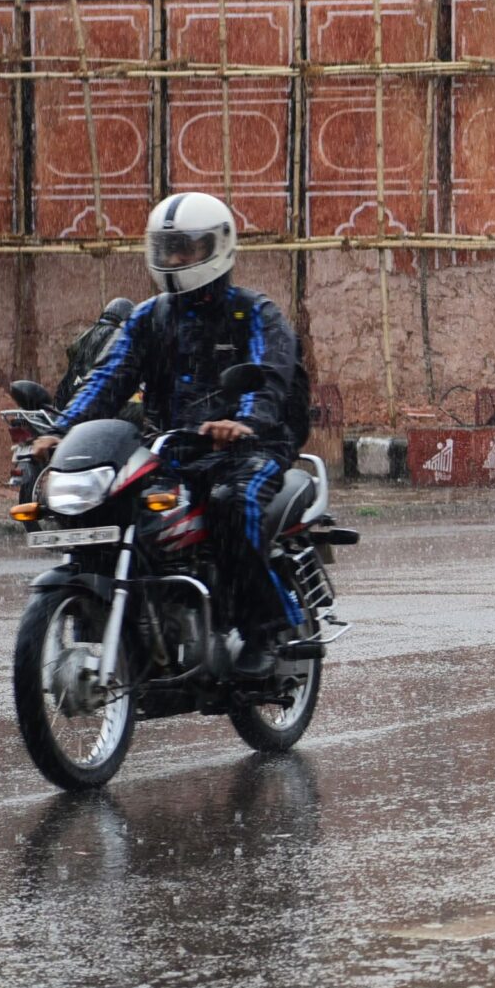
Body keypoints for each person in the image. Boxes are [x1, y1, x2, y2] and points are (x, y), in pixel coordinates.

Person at [37, 193, 303, 677]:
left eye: (188, 248)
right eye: (169, 248)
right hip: (172, 448)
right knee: (117, 510)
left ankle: (269, 627)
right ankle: (138, 626)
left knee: (229, 504)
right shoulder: (148, 317)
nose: (176, 260)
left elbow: (268, 377)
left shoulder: (253, 313)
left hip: (251, 449)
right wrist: (62, 430)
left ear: (219, 246)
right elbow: (108, 378)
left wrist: (243, 421)